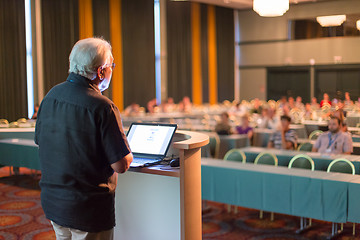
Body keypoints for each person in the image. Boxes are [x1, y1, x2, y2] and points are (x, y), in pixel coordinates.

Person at [34, 38, 133, 240]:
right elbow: (120, 165)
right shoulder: (103, 107)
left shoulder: (51, 96)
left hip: (54, 202)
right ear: (101, 71)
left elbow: (41, 141)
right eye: (111, 66)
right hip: (87, 209)